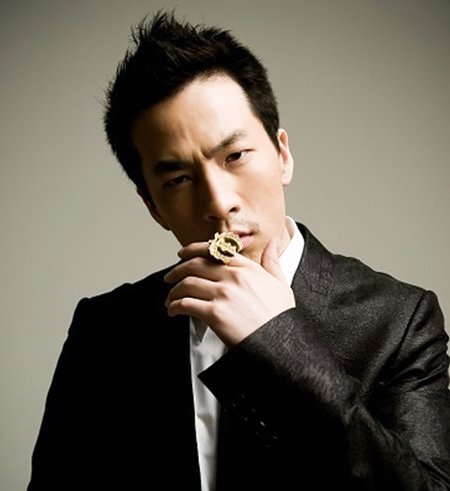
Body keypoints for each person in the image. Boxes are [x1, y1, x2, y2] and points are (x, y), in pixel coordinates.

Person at [27, 11, 450, 491]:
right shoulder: (103, 332)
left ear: (282, 155)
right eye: (178, 179)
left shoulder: (400, 320)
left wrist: (280, 343)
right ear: (152, 206)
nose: (218, 202)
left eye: (235, 156)